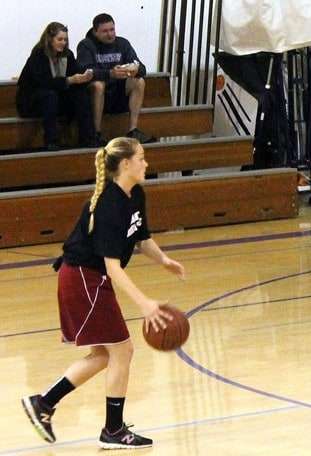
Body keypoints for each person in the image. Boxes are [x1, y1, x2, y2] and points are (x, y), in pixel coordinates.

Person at [21, 137, 185, 449]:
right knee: (122, 350)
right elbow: (113, 268)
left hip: (87, 278)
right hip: (84, 278)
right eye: (141, 158)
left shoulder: (135, 194)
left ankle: (44, 404)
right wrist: (146, 304)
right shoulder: (110, 204)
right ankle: (113, 430)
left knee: (104, 354)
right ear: (125, 165)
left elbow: (141, 236)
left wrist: (163, 260)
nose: (146, 163)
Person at [76, 13, 157, 144]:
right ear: (95, 32)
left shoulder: (123, 43)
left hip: (118, 94)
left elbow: (142, 68)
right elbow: (85, 71)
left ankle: (133, 130)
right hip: (95, 95)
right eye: (105, 31)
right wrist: (110, 73)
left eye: (112, 29)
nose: (110, 34)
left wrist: (135, 69)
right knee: (98, 85)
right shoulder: (86, 45)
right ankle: (96, 133)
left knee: (139, 81)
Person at [16, 22, 97, 150]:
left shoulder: (68, 55)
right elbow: (44, 82)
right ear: (49, 39)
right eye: (59, 39)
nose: (63, 43)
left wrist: (84, 78)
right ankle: (51, 141)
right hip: (32, 101)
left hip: (55, 99)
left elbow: (74, 74)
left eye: (65, 39)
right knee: (49, 95)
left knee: (80, 94)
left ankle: (88, 138)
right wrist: (70, 80)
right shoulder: (38, 55)